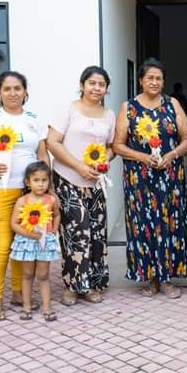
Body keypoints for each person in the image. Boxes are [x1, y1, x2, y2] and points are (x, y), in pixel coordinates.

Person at [0, 71, 49, 322]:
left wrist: (47, 187)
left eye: (18, 88)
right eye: (7, 89)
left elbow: (42, 154)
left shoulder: (34, 119)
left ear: (25, 91)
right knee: (3, 246)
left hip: (28, 193)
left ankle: (18, 293)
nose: (13, 93)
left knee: (22, 244)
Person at [112, 58, 187, 299]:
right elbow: (117, 145)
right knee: (144, 226)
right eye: (150, 78)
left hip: (170, 176)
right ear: (141, 81)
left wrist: (173, 154)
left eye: (158, 78)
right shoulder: (128, 107)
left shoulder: (172, 104)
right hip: (140, 179)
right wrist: (142, 157)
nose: (154, 82)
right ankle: (150, 278)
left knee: (169, 223)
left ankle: (166, 279)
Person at [46, 66, 115, 306]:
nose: (97, 88)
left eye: (101, 84)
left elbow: (112, 147)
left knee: (96, 232)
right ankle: (73, 286)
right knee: (76, 232)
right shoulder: (69, 109)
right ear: (82, 85)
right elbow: (52, 142)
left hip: (95, 183)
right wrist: (78, 166)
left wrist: (104, 161)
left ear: (106, 89)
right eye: (92, 83)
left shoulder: (109, 114)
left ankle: (93, 283)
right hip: (68, 179)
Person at [9, 161, 61, 321]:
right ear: (27, 182)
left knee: (43, 275)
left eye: (44, 180)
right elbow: (14, 224)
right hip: (27, 242)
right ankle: (26, 306)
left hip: (44, 242)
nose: (40, 184)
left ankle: (47, 308)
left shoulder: (51, 200)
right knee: (27, 274)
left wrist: (54, 229)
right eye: (36, 180)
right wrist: (29, 234)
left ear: (49, 181)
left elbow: (57, 215)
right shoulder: (22, 201)